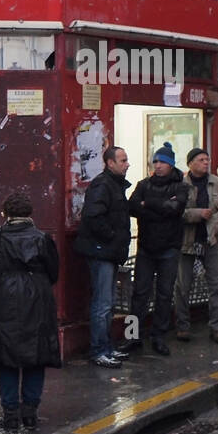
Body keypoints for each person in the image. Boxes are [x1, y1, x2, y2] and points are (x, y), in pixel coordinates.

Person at [0, 191, 60, 431]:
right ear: (29, 214)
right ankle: (31, 413)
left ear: (6, 214)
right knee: (36, 357)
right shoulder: (42, 239)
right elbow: (54, 272)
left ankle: (10, 413)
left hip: (4, 299)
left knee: (8, 359)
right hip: (38, 297)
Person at [73, 145, 132, 368]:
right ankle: (99, 350)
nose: (127, 164)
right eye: (123, 160)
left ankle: (106, 348)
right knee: (103, 303)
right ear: (110, 163)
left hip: (107, 250)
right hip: (102, 251)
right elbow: (94, 217)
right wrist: (113, 238)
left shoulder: (112, 185)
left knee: (107, 302)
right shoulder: (103, 185)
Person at [126, 142, 186, 355]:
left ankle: (158, 336)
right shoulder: (143, 184)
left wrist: (147, 205)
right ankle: (132, 336)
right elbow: (132, 206)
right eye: (156, 161)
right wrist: (158, 206)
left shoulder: (180, 186)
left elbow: (175, 208)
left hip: (169, 248)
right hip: (146, 248)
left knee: (164, 294)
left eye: (162, 162)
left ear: (171, 165)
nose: (158, 165)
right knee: (139, 294)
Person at [174, 147, 218, 343]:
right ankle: (182, 326)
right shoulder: (179, 185)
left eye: (207, 159)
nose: (206, 162)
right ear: (190, 163)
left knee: (216, 285)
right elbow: (174, 211)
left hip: (211, 240)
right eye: (201, 159)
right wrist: (197, 214)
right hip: (186, 242)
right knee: (183, 287)